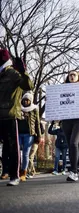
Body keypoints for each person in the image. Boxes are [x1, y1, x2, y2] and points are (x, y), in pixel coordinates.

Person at [0, 49, 34, 186]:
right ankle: (6, 171)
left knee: (13, 147)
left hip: (10, 115)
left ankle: (14, 176)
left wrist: (23, 71)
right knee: (6, 148)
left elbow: (28, 86)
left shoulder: (12, 73)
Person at [61, 70, 79, 182]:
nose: (72, 76)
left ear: (78, 77)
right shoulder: (62, 89)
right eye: (70, 75)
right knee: (70, 145)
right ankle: (75, 168)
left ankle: (74, 171)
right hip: (67, 120)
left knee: (74, 142)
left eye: (74, 75)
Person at [18, 91, 42, 181]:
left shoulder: (34, 109)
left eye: (27, 100)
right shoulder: (18, 109)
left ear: (30, 101)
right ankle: (17, 171)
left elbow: (37, 123)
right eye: (24, 100)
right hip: (19, 134)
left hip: (29, 134)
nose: (25, 102)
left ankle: (23, 173)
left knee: (25, 154)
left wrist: (38, 136)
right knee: (17, 153)